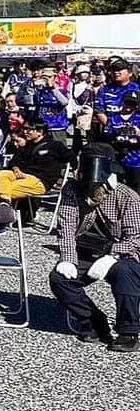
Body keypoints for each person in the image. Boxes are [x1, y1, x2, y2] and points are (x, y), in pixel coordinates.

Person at [51, 145, 140, 351]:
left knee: (124, 273)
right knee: (59, 279)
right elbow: (66, 226)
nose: (92, 191)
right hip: (88, 251)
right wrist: (67, 257)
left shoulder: (128, 197)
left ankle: (128, 331)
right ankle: (94, 322)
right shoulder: (72, 189)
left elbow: (135, 238)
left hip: (124, 253)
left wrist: (113, 255)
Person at [0, 120, 69, 215]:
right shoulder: (28, 145)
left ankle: (3, 214)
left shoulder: (55, 146)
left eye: (29, 129)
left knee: (5, 190)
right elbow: (15, 160)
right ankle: (5, 208)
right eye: (24, 129)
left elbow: (71, 158)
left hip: (40, 181)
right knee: (4, 174)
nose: (25, 132)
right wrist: (16, 168)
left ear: (40, 132)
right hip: (24, 176)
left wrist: (76, 172)